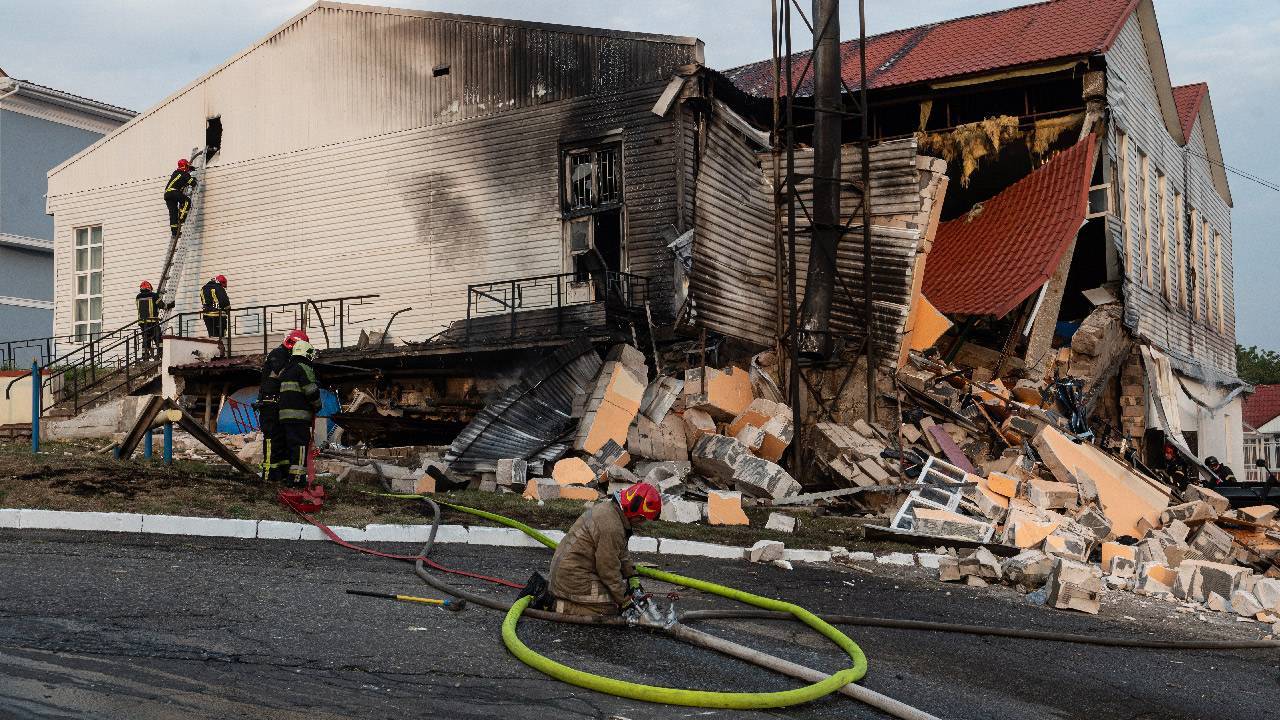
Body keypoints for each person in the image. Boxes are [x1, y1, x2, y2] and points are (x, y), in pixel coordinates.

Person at [547, 482, 661, 617]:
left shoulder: (612, 512)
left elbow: (620, 551)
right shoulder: (612, 527)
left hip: (572, 571)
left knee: (615, 596)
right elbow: (608, 568)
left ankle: (566, 599)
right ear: (634, 514)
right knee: (611, 609)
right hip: (573, 578)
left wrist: (632, 576)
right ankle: (555, 605)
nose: (643, 524)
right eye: (642, 519)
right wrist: (624, 600)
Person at [259, 329, 309, 484]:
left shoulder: (290, 357)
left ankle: (283, 474)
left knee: (284, 441)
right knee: (272, 439)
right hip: (270, 404)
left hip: (280, 405)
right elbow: (285, 374)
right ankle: (269, 474)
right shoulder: (278, 354)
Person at [278, 340, 321, 488]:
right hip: (299, 416)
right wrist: (318, 405)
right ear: (306, 353)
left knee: (290, 446)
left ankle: (289, 476)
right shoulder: (304, 367)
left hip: (284, 416)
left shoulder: (286, 369)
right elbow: (311, 391)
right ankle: (297, 478)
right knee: (300, 446)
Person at [164, 158, 197, 238]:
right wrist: (193, 179)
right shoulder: (184, 174)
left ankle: (174, 233)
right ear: (185, 166)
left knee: (173, 213)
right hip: (174, 192)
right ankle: (182, 218)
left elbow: (181, 181)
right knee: (186, 201)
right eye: (187, 166)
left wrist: (189, 170)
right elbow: (192, 183)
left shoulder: (176, 173)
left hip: (167, 194)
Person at [201, 275, 230, 351]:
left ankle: (214, 352)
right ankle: (223, 352)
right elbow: (224, 302)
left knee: (212, 336)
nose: (223, 287)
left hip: (207, 316)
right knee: (221, 336)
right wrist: (228, 309)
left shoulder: (203, 288)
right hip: (218, 315)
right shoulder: (218, 287)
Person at [135, 280, 161, 360]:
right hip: (152, 322)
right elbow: (162, 305)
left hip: (143, 323)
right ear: (149, 288)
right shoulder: (154, 295)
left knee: (146, 339)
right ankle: (161, 353)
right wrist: (170, 305)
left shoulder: (138, 297)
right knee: (158, 338)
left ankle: (145, 355)